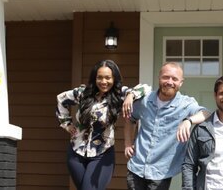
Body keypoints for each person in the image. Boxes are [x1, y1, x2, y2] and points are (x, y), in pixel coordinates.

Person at [57, 59, 149, 190]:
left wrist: (130, 95)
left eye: (108, 78)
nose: (103, 81)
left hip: (102, 154)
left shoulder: (118, 95)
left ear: (114, 78)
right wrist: (66, 124)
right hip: (75, 152)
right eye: (99, 77)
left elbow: (145, 88)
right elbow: (61, 99)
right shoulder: (84, 93)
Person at [125, 62, 210, 190]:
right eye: (166, 77)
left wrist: (188, 121)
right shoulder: (144, 100)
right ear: (159, 78)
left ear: (181, 82)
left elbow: (206, 113)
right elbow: (130, 119)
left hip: (161, 172)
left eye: (174, 79)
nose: (170, 81)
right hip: (136, 167)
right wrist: (127, 143)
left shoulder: (185, 104)